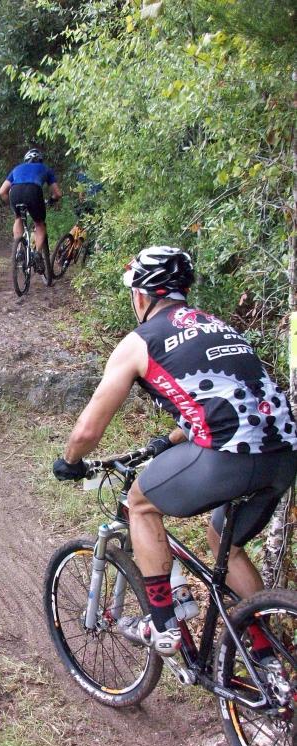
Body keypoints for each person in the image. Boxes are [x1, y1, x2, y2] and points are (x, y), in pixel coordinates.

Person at [52, 246, 297, 660]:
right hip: (285, 454)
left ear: (141, 296)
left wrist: (70, 461)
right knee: (225, 542)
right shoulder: (217, 328)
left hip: (227, 457)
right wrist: (169, 441)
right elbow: (226, 400)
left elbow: (88, 429)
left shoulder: (140, 341)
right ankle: (266, 653)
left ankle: (162, 624)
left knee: (140, 504)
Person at [0, 149, 62, 271]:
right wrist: (52, 200)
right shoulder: (45, 168)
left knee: (18, 218)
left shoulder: (17, 168)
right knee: (39, 224)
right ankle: (37, 253)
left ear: (26, 161)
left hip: (15, 192)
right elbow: (57, 193)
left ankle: (19, 249)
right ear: (40, 160)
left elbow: (1, 192)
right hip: (33, 191)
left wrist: (11, 204)